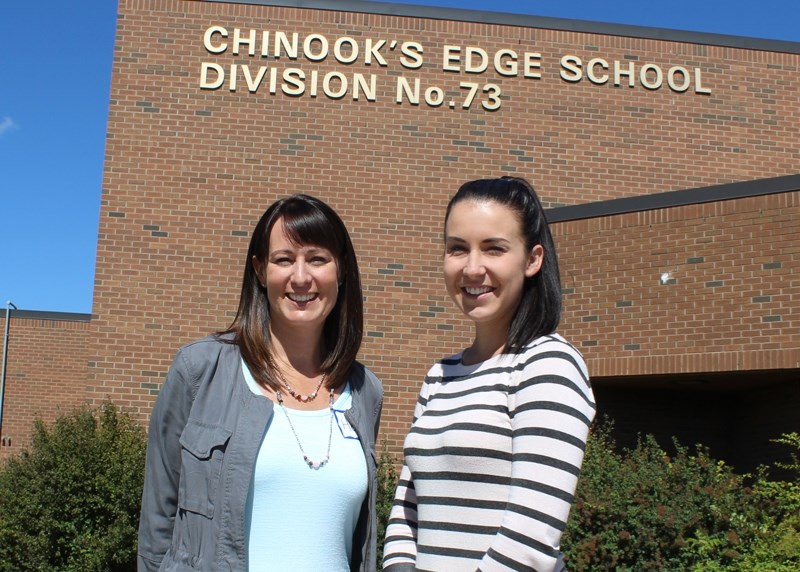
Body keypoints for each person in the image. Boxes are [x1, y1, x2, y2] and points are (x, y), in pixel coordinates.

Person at [138, 194, 384, 572]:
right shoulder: (200, 371)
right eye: (284, 259)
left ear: (341, 270)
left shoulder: (366, 391)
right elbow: (158, 524)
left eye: (317, 259)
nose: (300, 277)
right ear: (259, 270)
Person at [382, 177, 596, 572]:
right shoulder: (440, 375)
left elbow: (532, 537)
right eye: (457, 249)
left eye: (494, 248)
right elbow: (407, 508)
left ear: (532, 260)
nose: (472, 267)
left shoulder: (548, 363)